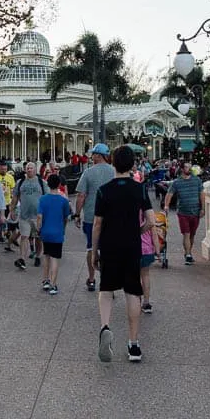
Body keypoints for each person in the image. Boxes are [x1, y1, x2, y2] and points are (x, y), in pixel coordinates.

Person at [93, 145, 154, 363]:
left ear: (113, 163)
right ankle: (133, 343)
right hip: (131, 246)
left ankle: (105, 327)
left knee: (107, 289)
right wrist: (136, 231)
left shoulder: (104, 190)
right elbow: (151, 221)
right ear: (132, 164)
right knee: (132, 291)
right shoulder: (140, 189)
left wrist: (95, 251)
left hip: (109, 246)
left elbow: (98, 223)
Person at [74, 143, 116, 292]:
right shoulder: (115, 172)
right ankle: (107, 281)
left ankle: (91, 279)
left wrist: (77, 214)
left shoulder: (88, 173)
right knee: (108, 249)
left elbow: (81, 195)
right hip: (112, 217)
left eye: (93, 154)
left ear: (99, 155)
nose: (92, 157)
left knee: (91, 248)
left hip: (91, 216)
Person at [163, 161, 205, 265]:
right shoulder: (177, 182)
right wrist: (166, 205)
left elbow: (202, 195)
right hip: (183, 212)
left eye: (190, 167)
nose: (190, 169)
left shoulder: (197, 180)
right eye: (187, 167)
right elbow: (169, 194)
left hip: (195, 211)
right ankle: (188, 255)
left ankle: (188, 253)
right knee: (186, 233)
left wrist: (203, 208)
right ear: (182, 169)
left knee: (192, 234)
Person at [37, 174, 71, 295]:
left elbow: (39, 217)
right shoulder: (63, 200)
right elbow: (66, 217)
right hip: (57, 232)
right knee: (55, 258)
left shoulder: (42, 199)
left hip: (45, 232)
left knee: (46, 255)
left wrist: (39, 229)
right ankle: (53, 284)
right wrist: (63, 228)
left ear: (48, 184)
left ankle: (45, 280)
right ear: (59, 185)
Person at [11, 162, 47, 271]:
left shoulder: (42, 182)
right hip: (24, 215)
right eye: (27, 168)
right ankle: (22, 259)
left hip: (38, 216)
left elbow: (47, 198)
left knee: (38, 238)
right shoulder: (20, 182)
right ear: (25, 170)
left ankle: (38, 256)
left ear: (35, 170)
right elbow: (15, 197)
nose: (29, 170)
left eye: (31, 168)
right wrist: (12, 210)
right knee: (24, 237)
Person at [0, 162, 16, 243]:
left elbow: (13, 189)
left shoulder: (10, 177)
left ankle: (7, 232)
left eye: (5, 169)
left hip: (7, 202)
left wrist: (13, 198)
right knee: (0, 220)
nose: (4, 170)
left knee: (7, 219)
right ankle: (0, 235)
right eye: (2, 169)